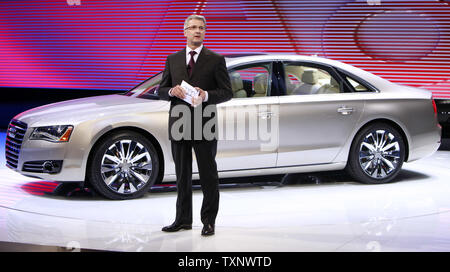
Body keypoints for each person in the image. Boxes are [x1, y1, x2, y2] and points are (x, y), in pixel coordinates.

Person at [157, 14, 232, 236]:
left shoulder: (216, 59)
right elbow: (161, 90)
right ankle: (182, 220)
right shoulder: (172, 59)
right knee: (182, 175)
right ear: (185, 31)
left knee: (208, 175)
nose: (197, 31)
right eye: (192, 27)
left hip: (204, 123)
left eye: (201, 27)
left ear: (205, 32)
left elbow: (227, 92)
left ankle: (209, 221)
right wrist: (171, 91)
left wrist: (206, 95)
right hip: (179, 123)